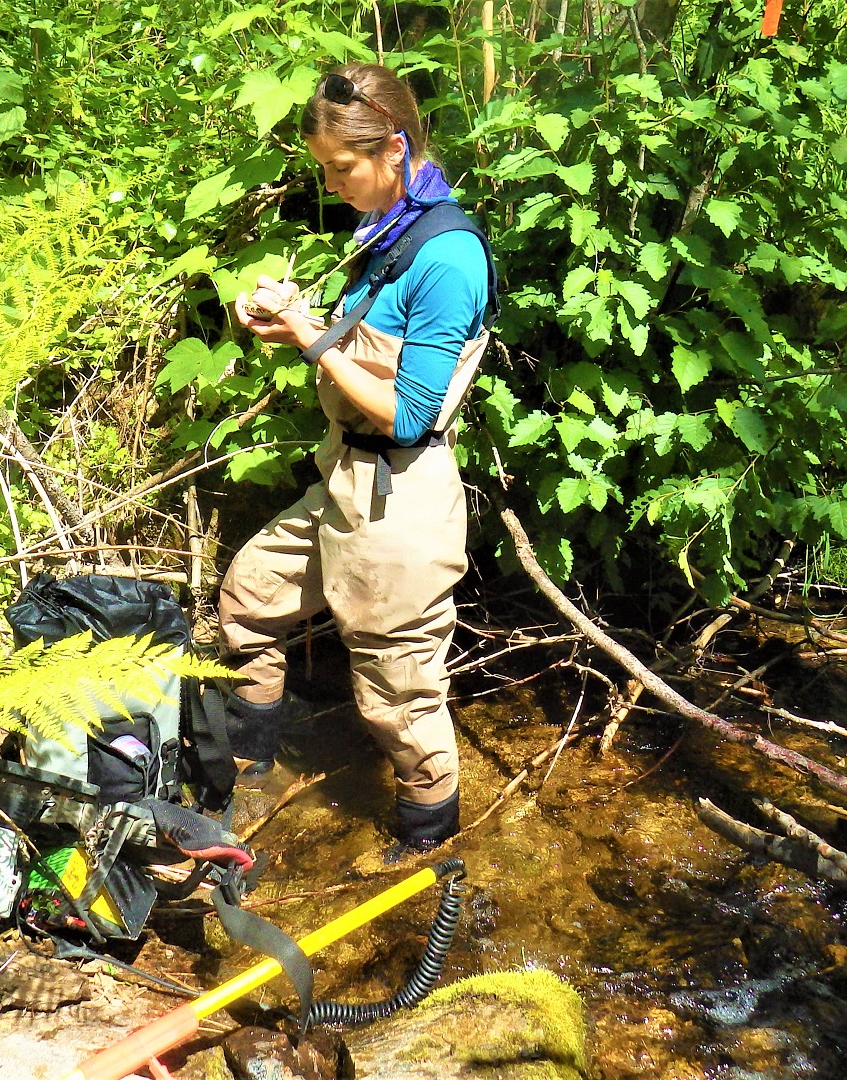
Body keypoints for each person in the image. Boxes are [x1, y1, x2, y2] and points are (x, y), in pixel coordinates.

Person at [218, 62, 495, 863]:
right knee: (251, 598)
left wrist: (311, 340)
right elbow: (365, 356)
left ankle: (425, 852)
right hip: (344, 475)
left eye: (343, 169)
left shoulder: (448, 258)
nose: (333, 185)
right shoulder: (387, 232)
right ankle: (248, 777)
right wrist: (293, 318)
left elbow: (411, 412)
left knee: (397, 695)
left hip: (400, 498)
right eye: (325, 171)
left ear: (395, 149)